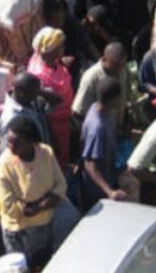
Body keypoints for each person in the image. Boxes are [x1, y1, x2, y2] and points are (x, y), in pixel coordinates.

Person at [0, 117, 80, 269]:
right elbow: (11, 209)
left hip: (50, 222)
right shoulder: (2, 166)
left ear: (31, 140)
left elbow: (61, 185)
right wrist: (48, 201)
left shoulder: (45, 152)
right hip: (23, 232)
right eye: (8, 142)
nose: (11, 147)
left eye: (16, 143)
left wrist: (39, 206)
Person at [27, 27, 75, 166]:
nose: (63, 49)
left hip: (66, 112)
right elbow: (49, 102)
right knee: (61, 150)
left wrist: (61, 62)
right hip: (57, 120)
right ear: (51, 50)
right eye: (60, 47)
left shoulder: (43, 57)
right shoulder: (41, 76)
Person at [79, 77, 128, 208]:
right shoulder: (97, 127)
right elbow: (90, 165)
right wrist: (109, 192)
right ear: (112, 99)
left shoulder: (98, 108)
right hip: (97, 190)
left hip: (110, 175)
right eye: (119, 96)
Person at [72, 43, 130, 122]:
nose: (119, 70)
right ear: (105, 59)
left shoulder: (123, 68)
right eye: (115, 66)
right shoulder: (91, 77)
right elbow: (78, 113)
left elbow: (124, 97)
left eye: (122, 65)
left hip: (118, 126)